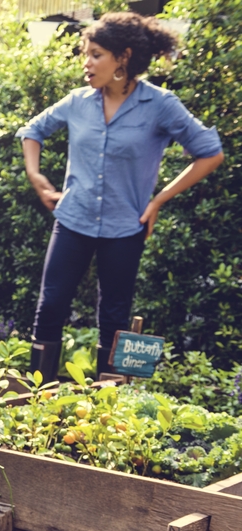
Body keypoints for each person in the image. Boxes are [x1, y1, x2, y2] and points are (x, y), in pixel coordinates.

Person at [17, 12, 223, 378]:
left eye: (96, 54)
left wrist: (159, 200)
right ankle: (38, 400)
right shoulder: (78, 101)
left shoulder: (160, 105)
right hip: (73, 219)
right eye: (86, 53)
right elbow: (33, 130)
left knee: (114, 318)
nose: (87, 63)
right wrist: (36, 174)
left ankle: (107, 408)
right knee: (50, 308)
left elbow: (210, 152)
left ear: (123, 58)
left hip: (126, 227)